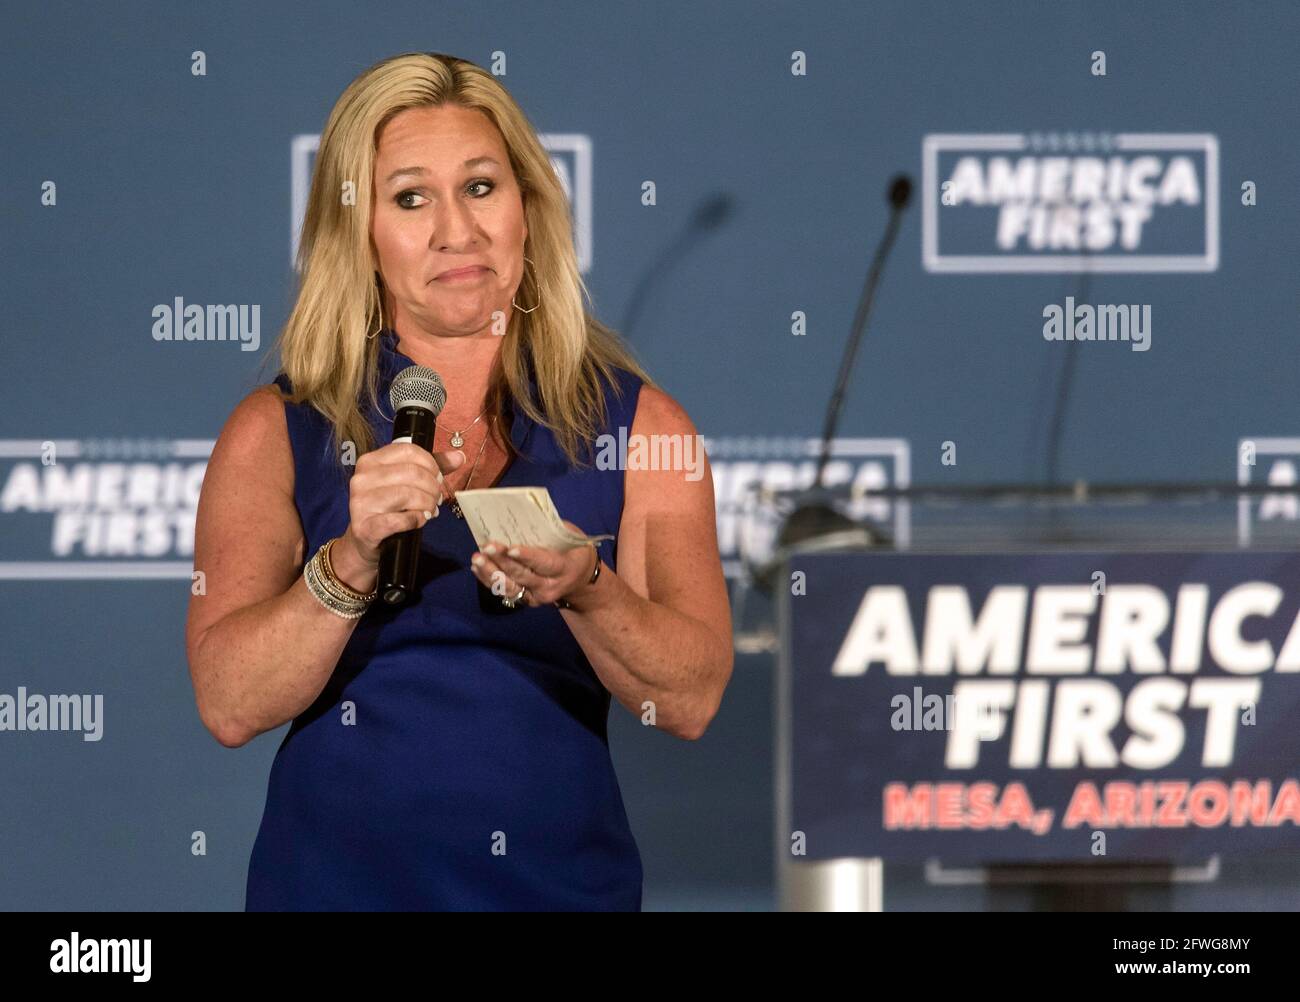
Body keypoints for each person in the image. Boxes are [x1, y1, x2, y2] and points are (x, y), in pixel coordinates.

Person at [184, 52, 733, 911]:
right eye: (410, 198)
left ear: (528, 209)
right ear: (358, 232)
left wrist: (588, 588)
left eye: (481, 187)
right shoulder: (278, 430)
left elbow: (692, 696)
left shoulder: (643, 427)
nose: (456, 231)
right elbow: (228, 702)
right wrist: (350, 564)